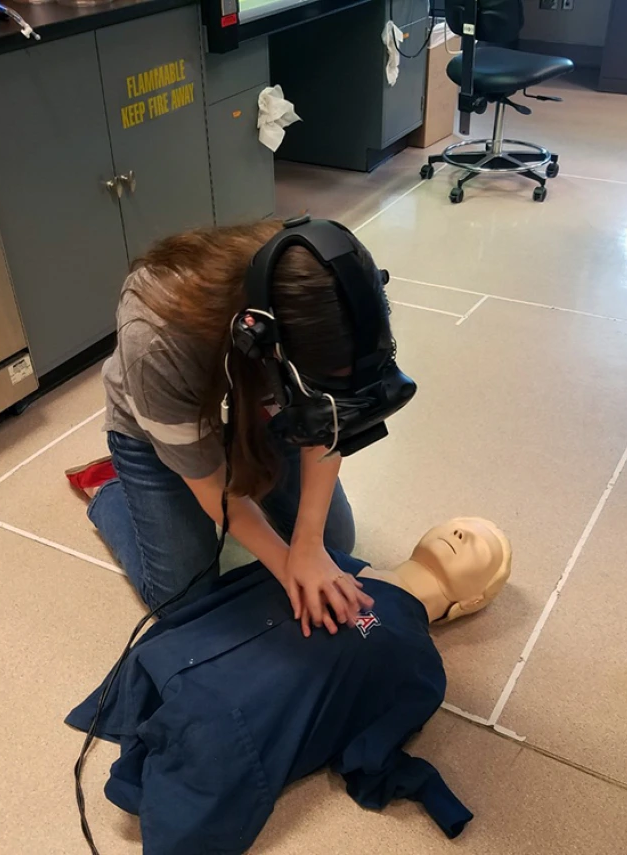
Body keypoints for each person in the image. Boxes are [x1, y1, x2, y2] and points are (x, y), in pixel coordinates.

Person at [66, 517, 513, 855]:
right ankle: (116, 497)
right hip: (164, 662)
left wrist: (429, 789)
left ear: (472, 602)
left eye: (483, 545)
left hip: (223, 734)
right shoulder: (326, 556)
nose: (462, 532)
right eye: (458, 524)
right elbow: (228, 595)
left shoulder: (421, 664)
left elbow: (367, 751)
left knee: (205, 754)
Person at [71, 219, 395, 635]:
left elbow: (327, 423)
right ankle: (112, 491)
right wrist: (288, 566)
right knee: (185, 601)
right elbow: (213, 490)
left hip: (263, 415)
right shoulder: (155, 337)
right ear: (263, 340)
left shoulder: (337, 288)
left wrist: (310, 546)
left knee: (335, 542)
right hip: (159, 436)